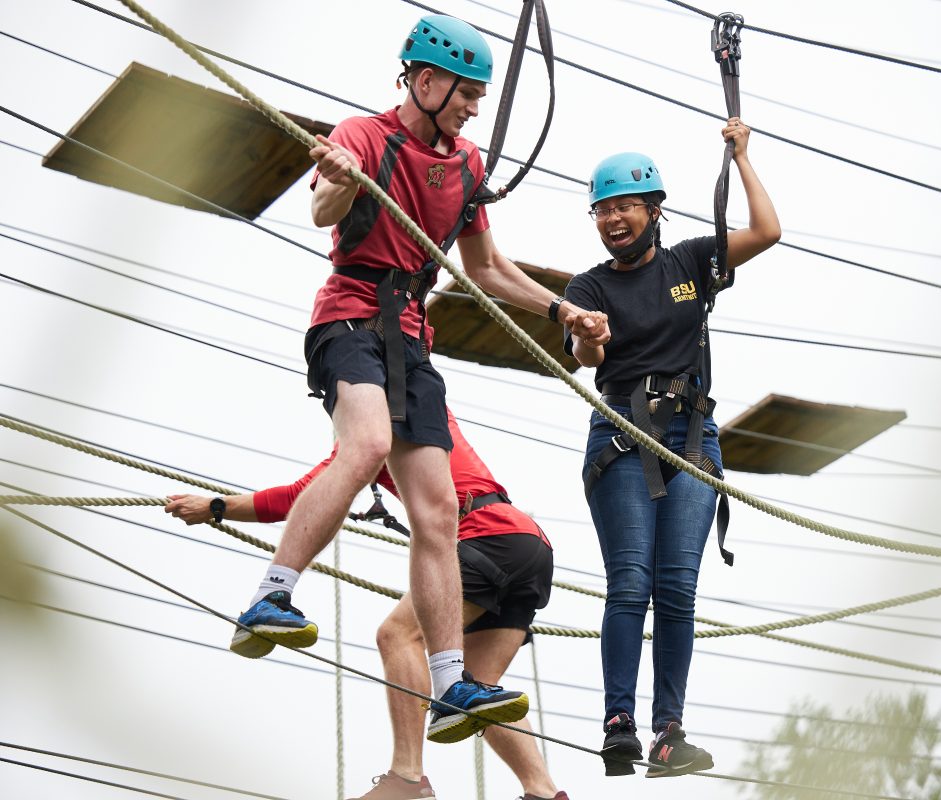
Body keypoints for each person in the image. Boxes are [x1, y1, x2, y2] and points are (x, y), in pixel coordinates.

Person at [227, 12, 609, 746]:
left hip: (412, 338)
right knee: (364, 446)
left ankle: (449, 684)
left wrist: (565, 309)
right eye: (466, 93)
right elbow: (322, 210)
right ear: (425, 80)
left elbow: (488, 269)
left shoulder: (466, 166)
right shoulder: (363, 136)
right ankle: (271, 596)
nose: (473, 108)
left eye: (477, 97)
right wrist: (339, 182)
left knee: (437, 513)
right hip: (350, 320)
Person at [165, 410, 569, 800]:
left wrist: (215, 507)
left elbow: (298, 498)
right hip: (527, 542)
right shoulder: (427, 411)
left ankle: (407, 775)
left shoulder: (378, 427)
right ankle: (544, 790)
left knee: (396, 635)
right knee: (477, 687)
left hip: (487, 535)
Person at [562, 118, 780, 778]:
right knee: (631, 581)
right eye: (603, 210)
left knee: (677, 589)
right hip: (623, 440)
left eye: (626, 206)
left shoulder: (691, 261)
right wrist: (590, 336)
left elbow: (767, 232)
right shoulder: (589, 288)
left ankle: (670, 732)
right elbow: (583, 352)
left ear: (654, 211)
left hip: (690, 437)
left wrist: (742, 158)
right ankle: (619, 724)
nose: (614, 219)